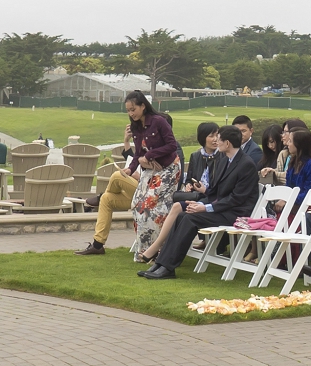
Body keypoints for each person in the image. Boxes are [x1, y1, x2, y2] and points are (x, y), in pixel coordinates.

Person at [140, 125, 262, 279]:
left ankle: (168, 267)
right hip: (223, 209)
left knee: (190, 218)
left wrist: (205, 208)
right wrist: (203, 198)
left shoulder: (246, 164)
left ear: (228, 143)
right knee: (182, 215)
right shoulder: (225, 160)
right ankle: (161, 263)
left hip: (236, 214)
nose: (217, 141)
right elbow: (218, 191)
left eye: (219, 138)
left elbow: (236, 199)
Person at [79, 90, 179, 257]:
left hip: (166, 170)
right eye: (128, 110)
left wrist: (149, 155)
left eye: (133, 109)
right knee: (137, 207)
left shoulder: (159, 121)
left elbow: (172, 146)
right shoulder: (136, 127)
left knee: (150, 209)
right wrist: (130, 169)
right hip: (149, 170)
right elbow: (138, 153)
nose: (131, 113)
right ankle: (144, 251)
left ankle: (156, 251)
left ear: (143, 106)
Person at [282, 127, 311, 211]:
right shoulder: (293, 162)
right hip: (292, 204)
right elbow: (288, 186)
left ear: (299, 144)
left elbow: (309, 194)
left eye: (290, 141)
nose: (287, 143)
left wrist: (288, 200)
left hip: (308, 209)